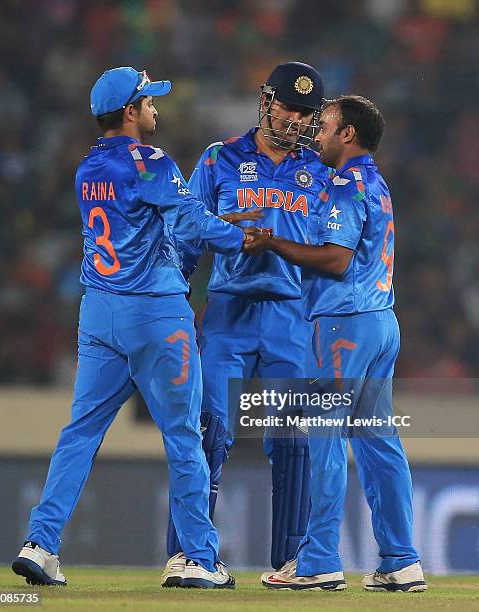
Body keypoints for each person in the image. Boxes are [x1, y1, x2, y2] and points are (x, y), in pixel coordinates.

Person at [11, 66, 258, 590]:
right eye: (148, 101)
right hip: (154, 311)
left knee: (80, 432)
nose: (155, 109)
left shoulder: (86, 168)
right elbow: (191, 220)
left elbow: (150, 219)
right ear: (129, 111)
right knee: (184, 434)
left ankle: (40, 543)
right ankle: (198, 557)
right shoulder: (150, 162)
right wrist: (244, 239)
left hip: (99, 311)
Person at [244, 96, 427, 592]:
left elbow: (337, 259)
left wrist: (271, 242)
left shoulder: (346, 184)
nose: (317, 134)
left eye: (324, 126)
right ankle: (400, 560)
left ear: (348, 134)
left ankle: (320, 559)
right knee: (377, 443)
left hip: (343, 324)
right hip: (380, 322)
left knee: (324, 439)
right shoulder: (376, 182)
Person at [165, 62, 329, 583]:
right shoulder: (219, 159)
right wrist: (175, 301)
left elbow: (335, 247)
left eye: (307, 113)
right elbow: (187, 235)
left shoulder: (321, 169)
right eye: (290, 107)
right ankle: (189, 555)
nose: (298, 120)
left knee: (293, 438)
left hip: (291, 316)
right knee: (209, 429)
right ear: (266, 102)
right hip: (228, 313)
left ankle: (291, 562)